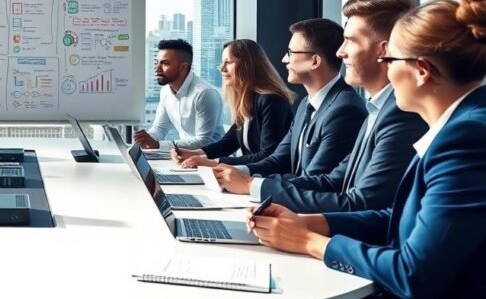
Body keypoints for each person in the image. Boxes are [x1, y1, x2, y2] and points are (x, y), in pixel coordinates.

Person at [207, 0, 486, 299]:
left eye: (390, 59)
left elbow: (412, 274)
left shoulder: (469, 139)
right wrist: (310, 222)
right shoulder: (471, 124)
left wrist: (311, 243)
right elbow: (398, 218)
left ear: (421, 70)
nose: (385, 68)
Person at [250, 0, 427, 212]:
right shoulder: (376, 109)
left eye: (350, 41)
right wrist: (256, 186)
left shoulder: (399, 115)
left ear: (384, 51)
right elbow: (335, 180)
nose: (339, 52)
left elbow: (363, 204)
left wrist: (306, 235)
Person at [212, 18, 367, 193]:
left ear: (315, 61)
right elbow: (279, 159)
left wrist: (251, 185)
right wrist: (235, 173)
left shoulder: (345, 110)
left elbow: (314, 180)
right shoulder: (306, 104)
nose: (284, 59)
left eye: (291, 52)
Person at [173, 39, 294, 168]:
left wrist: (214, 163)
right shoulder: (248, 100)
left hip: (268, 179)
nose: (222, 68)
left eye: (228, 62)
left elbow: (268, 154)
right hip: (252, 175)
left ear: (248, 65)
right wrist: (194, 154)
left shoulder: (271, 100)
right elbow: (229, 142)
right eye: (221, 63)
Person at [134, 39, 224, 151]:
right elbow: (160, 128)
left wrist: (157, 145)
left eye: (165, 64)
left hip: (212, 159)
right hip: (185, 156)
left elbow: (204, 141)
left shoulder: (205, 93)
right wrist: (144, 139)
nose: (157, 69)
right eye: (157, 63)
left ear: (183, 67)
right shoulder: (166, 91)